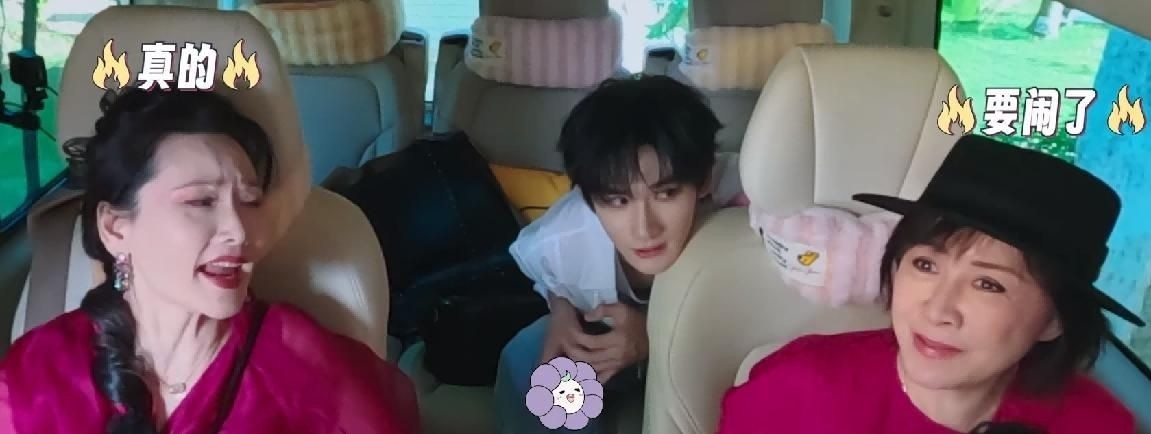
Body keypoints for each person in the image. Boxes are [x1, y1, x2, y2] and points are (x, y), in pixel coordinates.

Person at [0, 88, 419, 433]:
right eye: (201, 201)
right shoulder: (38, 374)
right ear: (115, 228)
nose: (240, 231)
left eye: (250, 201)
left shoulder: (309, 371)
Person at [716, 134, 1141, 434]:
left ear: (1053, 320)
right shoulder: (795, 391)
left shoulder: (1097, 425)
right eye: (924, 264)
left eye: (988, 284)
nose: (938, 310)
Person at [495, 75, 727, 433]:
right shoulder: (561, 240)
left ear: (705, 181)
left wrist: (651, 337)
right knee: (537, 362)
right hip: (601, 337)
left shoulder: (744, 205)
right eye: (618, 201)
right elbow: (547, 271)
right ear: (589, 200)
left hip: (698, 341)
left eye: (666, 194)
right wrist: (561, 309)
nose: (644, 228)